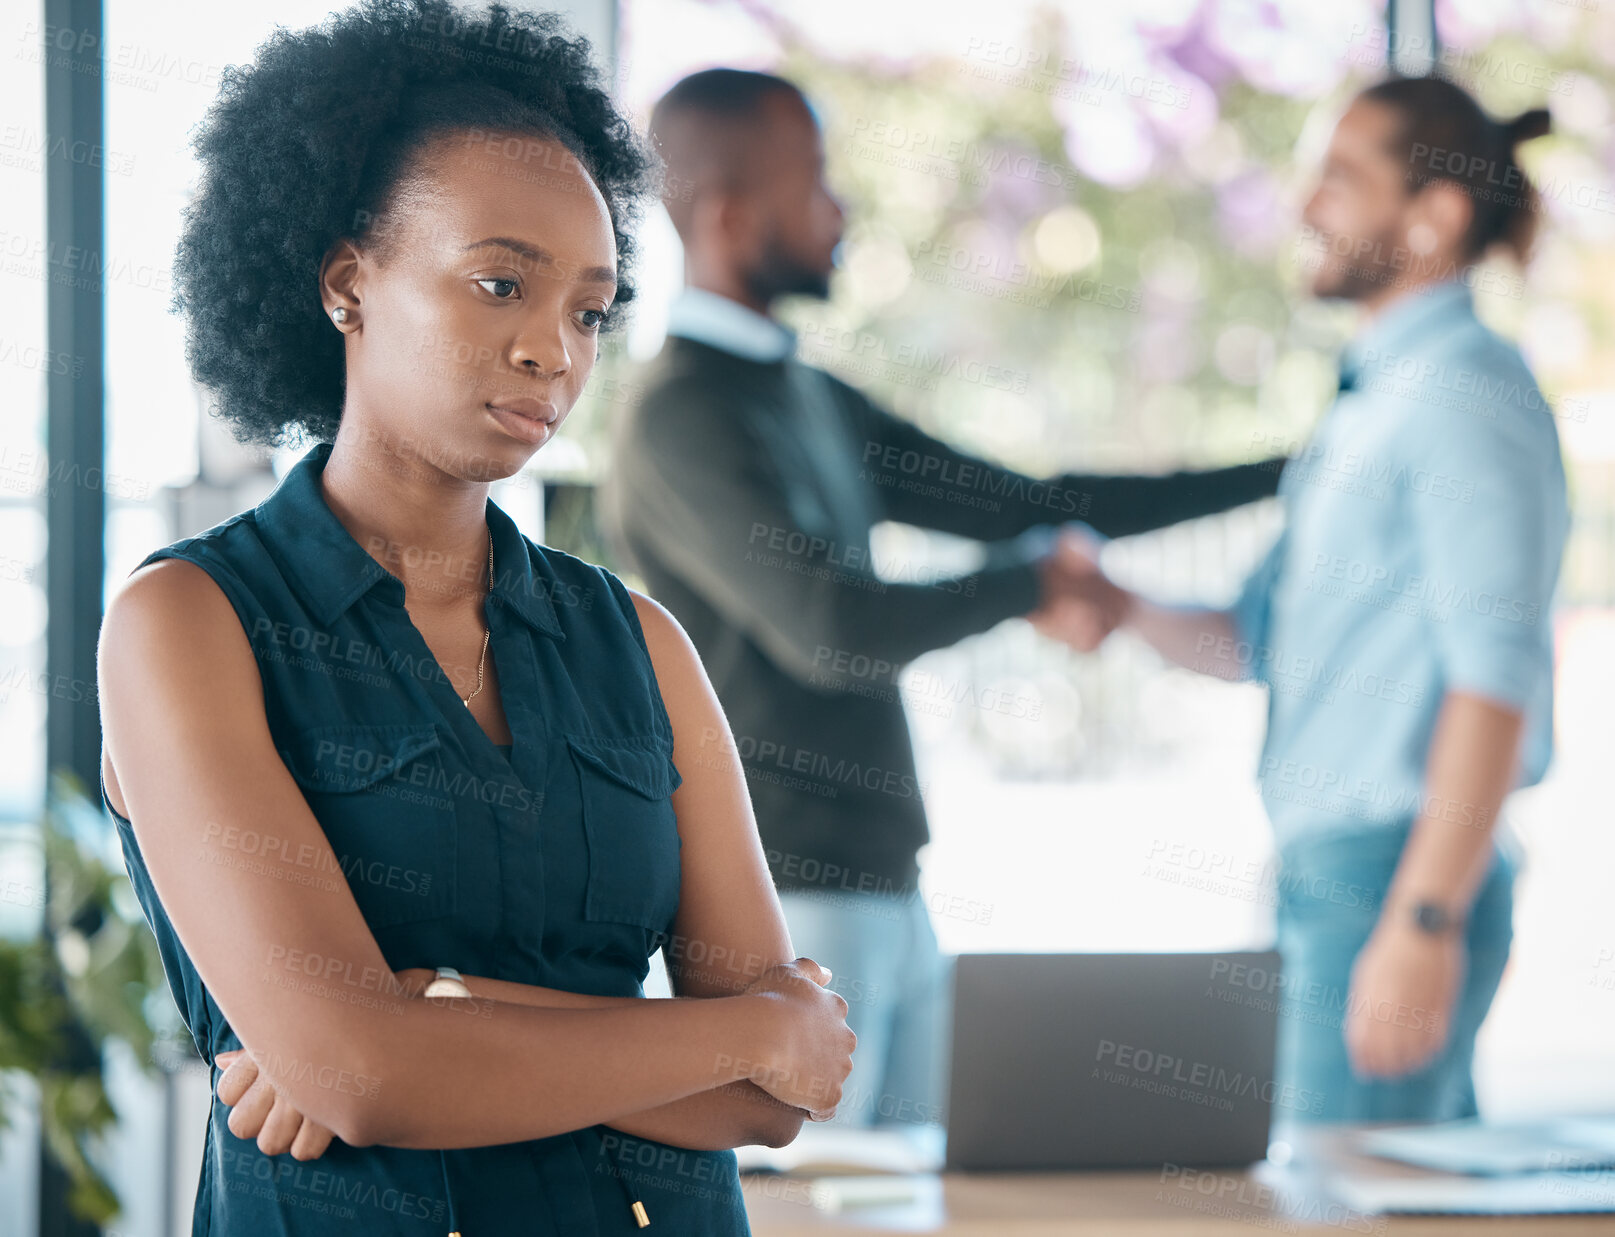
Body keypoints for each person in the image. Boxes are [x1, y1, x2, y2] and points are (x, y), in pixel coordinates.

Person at [95, 5, 854, 1234]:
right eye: (501, 283)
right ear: (348, 282)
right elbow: (365, 1074)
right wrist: (728, 1032)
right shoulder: (188, 623)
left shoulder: (641, 644)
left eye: (590, 310)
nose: (552, 350)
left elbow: (774, 1096)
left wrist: (434, 1009)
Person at [598, 68, 1289, 1130]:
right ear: (732, 215)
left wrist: (1286, 471)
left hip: (883, 887)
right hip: (776, 903)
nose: (841, 212)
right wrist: (1033, 583)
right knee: (802, 1206)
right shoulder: (679, 418)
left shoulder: (807, 396)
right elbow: (835, 630)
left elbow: (1030, 501)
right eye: (815, 183)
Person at [1083, 76, 1566, 1121]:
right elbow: (1250, 641)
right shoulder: (1373, 405)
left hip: (1393, 876)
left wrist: (1422, 921)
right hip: (1335, 875)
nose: (1306, 207)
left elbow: (1496, 678)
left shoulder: (1464, 397)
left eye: (1342, 179)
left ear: (1433, 216)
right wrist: (1114, 604)